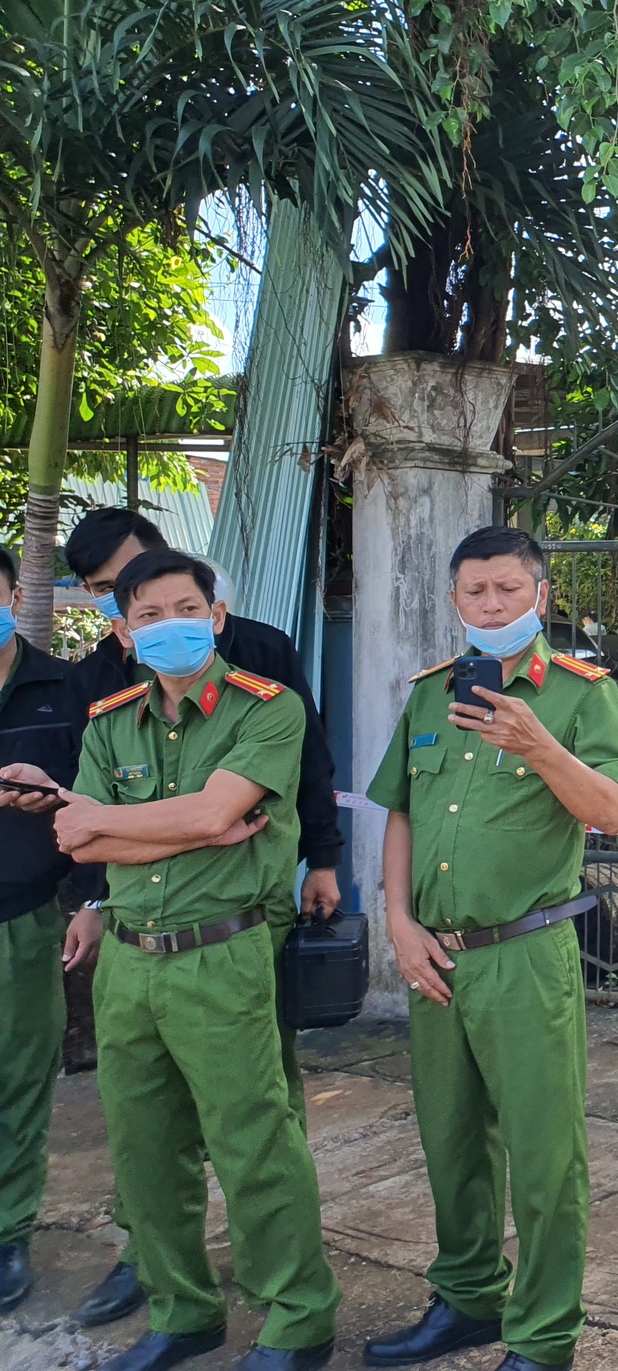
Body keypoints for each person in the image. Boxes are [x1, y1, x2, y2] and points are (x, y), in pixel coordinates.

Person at [362, 527, 618, 1371]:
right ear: (455, 601)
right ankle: (468, 1299)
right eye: (475, 593)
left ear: (541, 597)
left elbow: (612, 811)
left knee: (544, 1153)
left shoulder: (582, 695)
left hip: (526, 952)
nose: (492, 605)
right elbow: (401, 810)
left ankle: (545, 1334)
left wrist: (537, 745)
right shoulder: (430, 695)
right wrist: (399, 924)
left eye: (509, 591)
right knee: (450, 1141)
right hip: (435, 955)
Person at [55, 550, 338, 1371]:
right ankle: (182, 1313)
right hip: (129, 963)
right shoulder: (110, 721)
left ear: (216, 618)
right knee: (145, 1149)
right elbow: (76, 834)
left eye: (187, 609)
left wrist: (150, 824)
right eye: (149, 615)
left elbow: (201, 809)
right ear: (122, 631)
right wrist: (200, 828)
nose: (170, 626)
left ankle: (298, 1319)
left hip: (224, 953)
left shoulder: (267, 708)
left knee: (254, 1145)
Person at [0, 544, 103, 1312]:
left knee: (18, 1081)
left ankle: (7, 1234)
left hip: (22, 918)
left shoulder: (61, 689)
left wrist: (94, 903)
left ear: (13, 595)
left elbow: (92, 798)